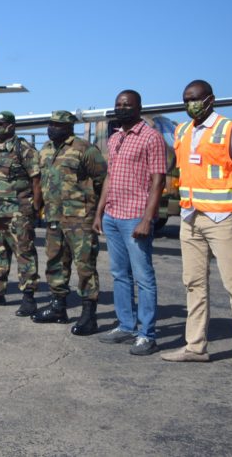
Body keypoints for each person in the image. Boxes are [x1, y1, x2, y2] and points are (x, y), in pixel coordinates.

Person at [161, 80, 232, 386]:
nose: (190, 104)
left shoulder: (231, 131)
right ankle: (195, 347)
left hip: (224, 219)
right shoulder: (182, 131)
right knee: (193, 283)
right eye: (186, 100)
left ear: (210, 100)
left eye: (195, 99)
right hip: (191, 218)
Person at [93, 90, 166, 356]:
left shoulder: (151, 137)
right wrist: (100, 212)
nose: (121, 108)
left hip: (135, 216)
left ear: (139, 108)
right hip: (113, 215)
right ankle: (126, 326)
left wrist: (147, 218)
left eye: (127, 105)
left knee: (143, 277)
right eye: (118, 104)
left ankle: (147, 335)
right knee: (119, 274)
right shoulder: (115, 138)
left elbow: (158, 181)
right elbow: (110, 177)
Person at [31, 110, 108, 335]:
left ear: (69, 127)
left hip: (80, 218)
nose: (52, 128)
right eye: (50, 124)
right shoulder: (45, 149)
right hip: (54, 217)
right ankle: (58, 307)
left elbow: (102, 180)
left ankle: (89, 315)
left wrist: (94, 209)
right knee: (55, 262)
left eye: (57, 125)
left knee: (85, 266)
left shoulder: (85, 149)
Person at [0, 111, 42, 315]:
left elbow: (36, 180)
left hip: (17, 214)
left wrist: (35, 209)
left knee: (24, 255)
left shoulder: (24, 149)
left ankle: (29, 298)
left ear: (11, 126)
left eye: (1, 123)